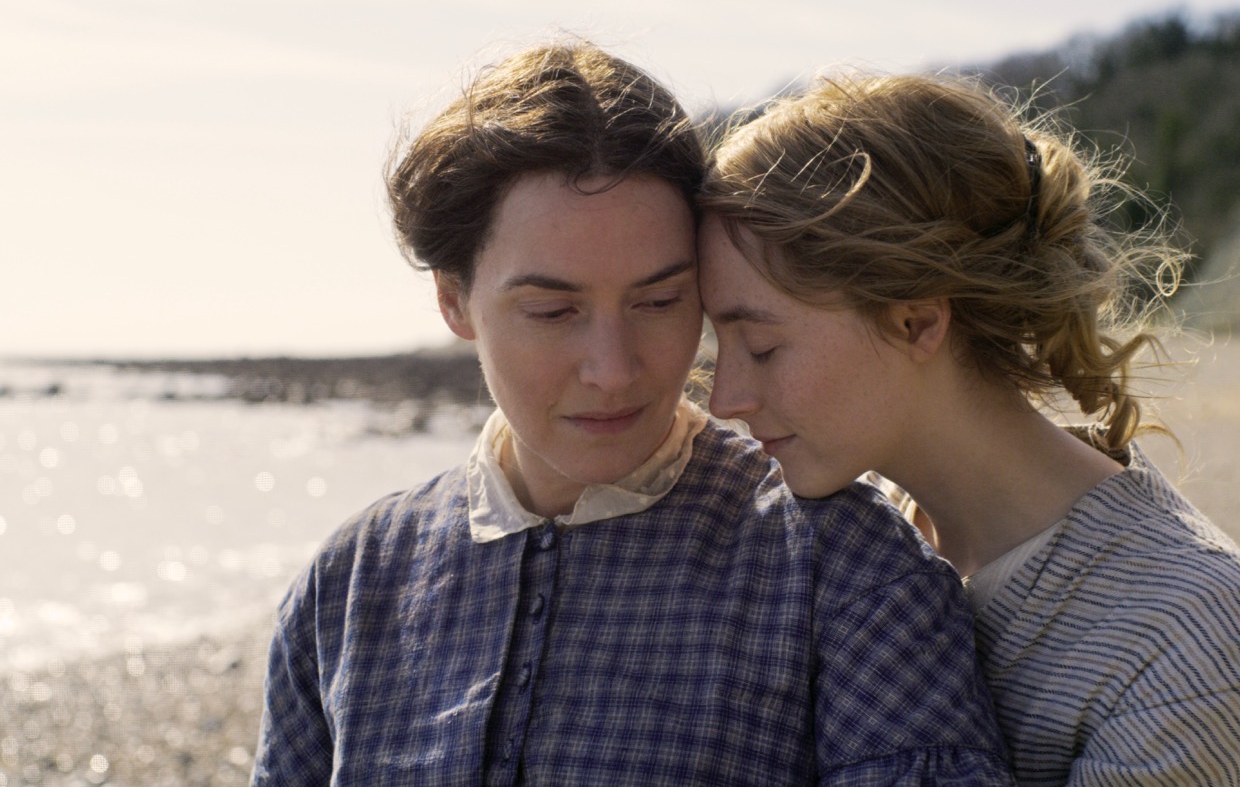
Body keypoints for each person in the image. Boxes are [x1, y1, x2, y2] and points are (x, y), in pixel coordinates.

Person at [250, 42, 1015, 784]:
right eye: (553, 312)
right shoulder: (350, 584)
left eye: (659, 301)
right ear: (454, 299)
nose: (614, 371)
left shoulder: (845, 570)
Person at [698, 71, 1240, 785]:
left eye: (761, 347)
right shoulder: (850, 534)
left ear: (915, 322)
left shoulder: (1182, 634)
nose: (724, 398)